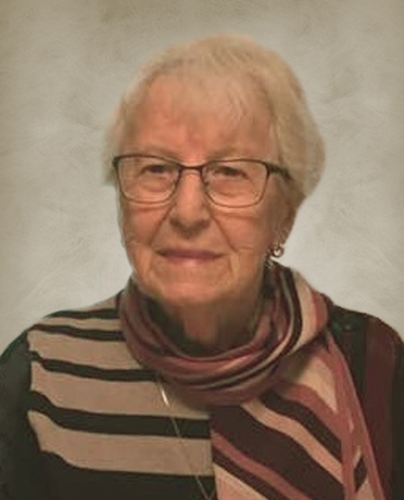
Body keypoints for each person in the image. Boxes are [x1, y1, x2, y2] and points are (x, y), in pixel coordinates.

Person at [0, 34, 403, 500]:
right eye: (155, 168)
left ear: (285, 215)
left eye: (231, 171)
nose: (187, 212)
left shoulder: (373, 366)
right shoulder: (40, 375)